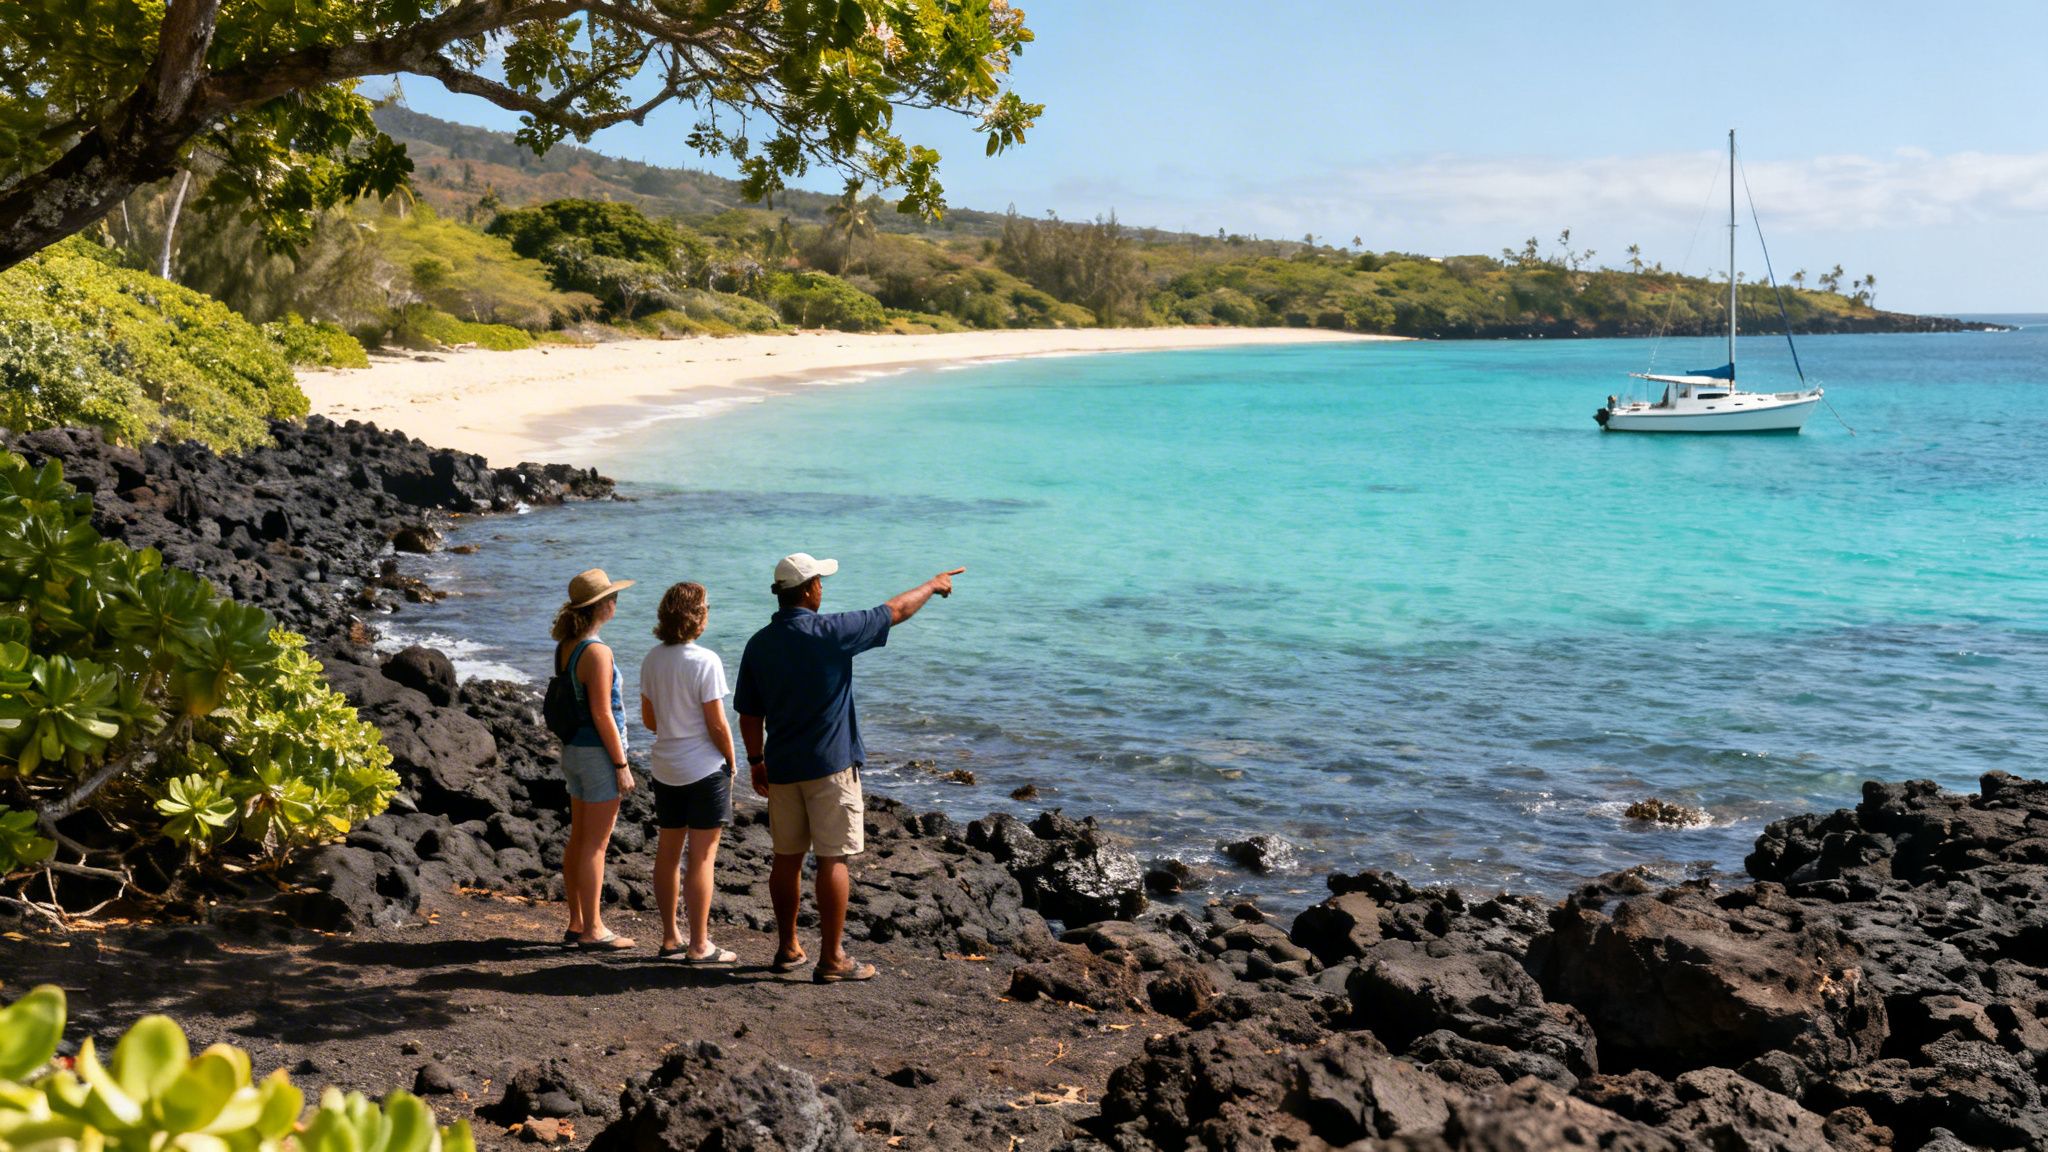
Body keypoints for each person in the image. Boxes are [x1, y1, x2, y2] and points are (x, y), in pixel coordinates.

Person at [734, 552, 964, 983]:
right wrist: (933, 584)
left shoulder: (759, 643)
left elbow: (749, 714)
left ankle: (787, 949)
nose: (823, 587)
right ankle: (833, 958)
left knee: (785, 859)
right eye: (819, 581)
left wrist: (755, 761)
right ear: (807, 591)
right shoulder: (831, 633)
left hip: (781, 765)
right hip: (830, 765)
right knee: (833, 859)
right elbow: (895, 610)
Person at [639, 582, 738, 964]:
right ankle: (699, 945)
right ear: (698, 616)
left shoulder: (652, 659)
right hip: (702, 768)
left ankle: (669, 938)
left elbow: (650, 720)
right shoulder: (706, 661)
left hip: (665, 766)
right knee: (701, 858)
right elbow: (717, 724)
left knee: (667, 853)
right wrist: (732, 760)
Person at [551, 567, 636, 951]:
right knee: (595, 845)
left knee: (579, 838)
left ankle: (576, 923)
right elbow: (603, 714)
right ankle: (594, 929)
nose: (616, 602)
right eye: (612, 598)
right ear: (601, 607)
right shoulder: (597, 652)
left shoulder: (566, 646)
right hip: (598, 754)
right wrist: (621, 765)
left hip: (572, 751)